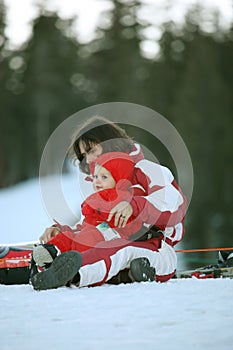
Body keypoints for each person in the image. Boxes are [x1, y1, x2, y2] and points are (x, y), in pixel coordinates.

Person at [31, 115, 187, 290]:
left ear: (109, 142)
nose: (88, 160)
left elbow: (174, 206)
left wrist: (134, 206)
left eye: (91, 150)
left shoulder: (147, 170)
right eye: (83, 155)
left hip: (156, 249)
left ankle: (72, 274)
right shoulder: (104, 184)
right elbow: (94, 227)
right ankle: (41, 267)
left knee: (120, 249)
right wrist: (63, 233)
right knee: (88, 244)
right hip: (111, 247)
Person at [32, 152, 155, 263]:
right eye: (96, 177)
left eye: (104, 177)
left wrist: (107, 214)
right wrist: (62, 230)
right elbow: (85, 224)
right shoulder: (96, 198)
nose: (97, 181)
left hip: (113, 236)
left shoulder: (125, 198)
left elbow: (133, 225)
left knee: (89, 237)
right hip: (95, 232)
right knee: (75, 236)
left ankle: (63, 257)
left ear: (119, 179)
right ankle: (50, 250)